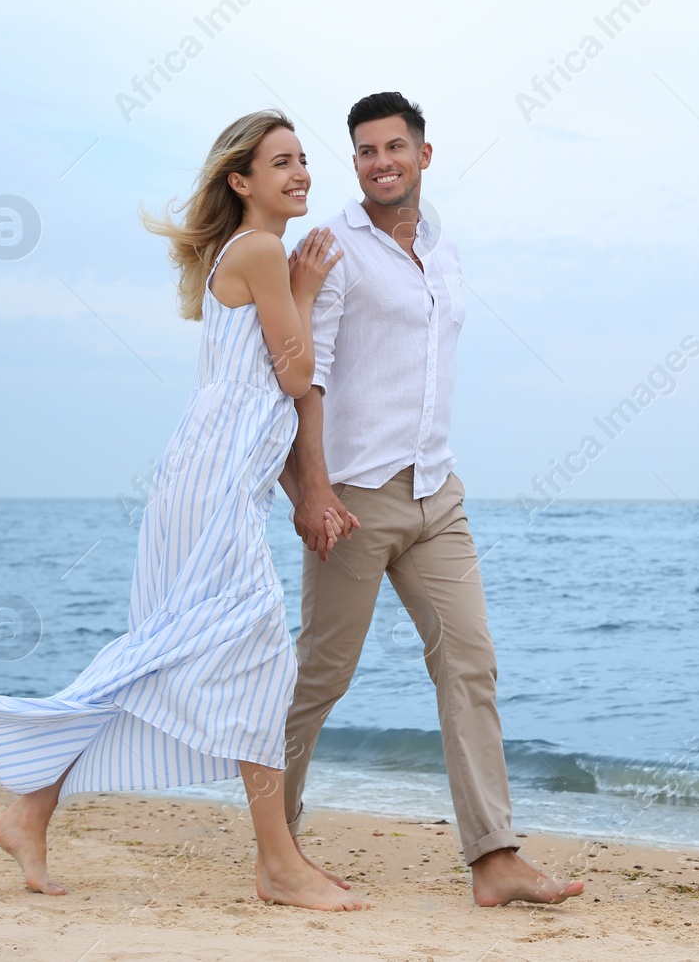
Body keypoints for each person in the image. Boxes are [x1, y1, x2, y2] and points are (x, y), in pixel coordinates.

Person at [0, 110, 369, 912]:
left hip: (214, 482)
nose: (300, 173)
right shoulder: (261, 252)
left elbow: (270, 395)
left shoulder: (251, 253)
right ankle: (278, 865)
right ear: (241, 180)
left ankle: (31, 807)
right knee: (250, 653)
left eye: (303, 160)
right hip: (214, 487)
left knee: (177, 655)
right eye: (281, 162)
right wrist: (304, 287)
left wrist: (302, 488)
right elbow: (295, 379)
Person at [279, 91, 584, 906]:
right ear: (356, 164)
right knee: (321, 675)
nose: (381, 162)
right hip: (354, 498)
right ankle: (277, 836)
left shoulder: (444, 248)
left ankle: (494, 858)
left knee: (470, 661)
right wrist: (312, 489)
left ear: (424, 153)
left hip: (436, 495)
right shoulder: (330, 247)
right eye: (366, 151)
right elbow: (304, 374)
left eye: (394, 147)